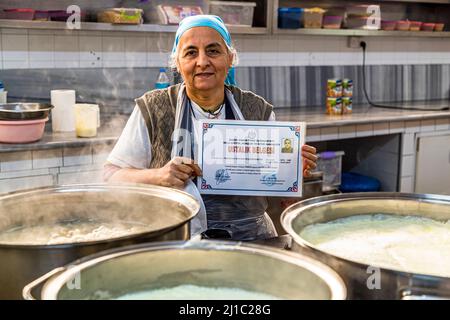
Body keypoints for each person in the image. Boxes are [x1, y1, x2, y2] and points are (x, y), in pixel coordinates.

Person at [104, 15, 317, 241]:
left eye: (213, 51)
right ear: (177, 63)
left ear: (230, 58)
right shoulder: (154, 108)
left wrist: (291, 173)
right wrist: (158, 176)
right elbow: (110, 176)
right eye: (191, 52)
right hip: (175, 241)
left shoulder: (256, 110)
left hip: (251, 242)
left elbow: (280, 196)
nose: (202, 61)